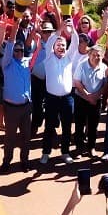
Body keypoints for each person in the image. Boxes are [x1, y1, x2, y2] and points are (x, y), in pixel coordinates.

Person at [40, 19, 79, 165]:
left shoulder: (69, 57)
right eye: (58, 45)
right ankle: (45, 153)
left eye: (63, 45)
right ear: (54, 47)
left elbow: (75, 43)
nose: (61, 47)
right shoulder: (49, 57)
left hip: (67, 98)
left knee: (67, 126)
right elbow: (49, 42)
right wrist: (59, 30)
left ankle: (65, 152)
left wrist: (72, 28)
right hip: (51, 99)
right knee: (49, 126)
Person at [0, 31, 35, 172]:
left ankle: (24, 161)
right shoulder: (7, 63)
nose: (19, 52)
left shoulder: (27, 62)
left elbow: (38, 54)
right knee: (10, 137)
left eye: (21, 50)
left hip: (26, 107)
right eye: (16, 50)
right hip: (12, 108)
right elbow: (9, 47)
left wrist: (37, 38)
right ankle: (6, 161)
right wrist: (14, 30)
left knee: (26, 137)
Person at [73, 44, 107, 158]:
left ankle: (91, 148)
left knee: (93, 126)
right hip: (81, 99)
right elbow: (77, 83)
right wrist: (88, 96)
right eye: (94, 55)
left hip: (96, 101)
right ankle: (79, 148)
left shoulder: (104, 67)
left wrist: (96, 96)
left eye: (98, 55)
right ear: (89, 55)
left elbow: (105, 85)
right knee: (79, 125)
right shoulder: (81, 65)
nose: (96, 57)